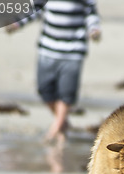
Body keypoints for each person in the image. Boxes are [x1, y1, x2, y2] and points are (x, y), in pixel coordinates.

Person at [6, 0, 101, 143]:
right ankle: (62, 123)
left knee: (66, 93)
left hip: (73, 51)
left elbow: (91, 13)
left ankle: (53, 132)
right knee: (44, 90)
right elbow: (36, 10)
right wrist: (17, 23)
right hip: (47, 49)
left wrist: (94, 30)